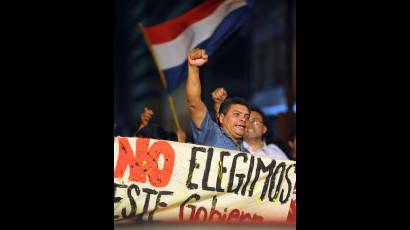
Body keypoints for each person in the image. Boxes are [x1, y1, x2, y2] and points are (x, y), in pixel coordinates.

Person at [186, 48, 250, 152]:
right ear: (221, 118)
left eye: (247, 117)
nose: (243, 119)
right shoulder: (211, 133)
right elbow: (194, 103)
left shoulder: (248, 155)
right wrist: (193, 68)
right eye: (237, 114)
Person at [212, 88, 289, 160]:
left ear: (264, 129)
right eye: (247, 120)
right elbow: (222, 131)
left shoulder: (275, 152)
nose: (248, 123)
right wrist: (219, 105)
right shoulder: (234, 147)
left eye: (254, 121)